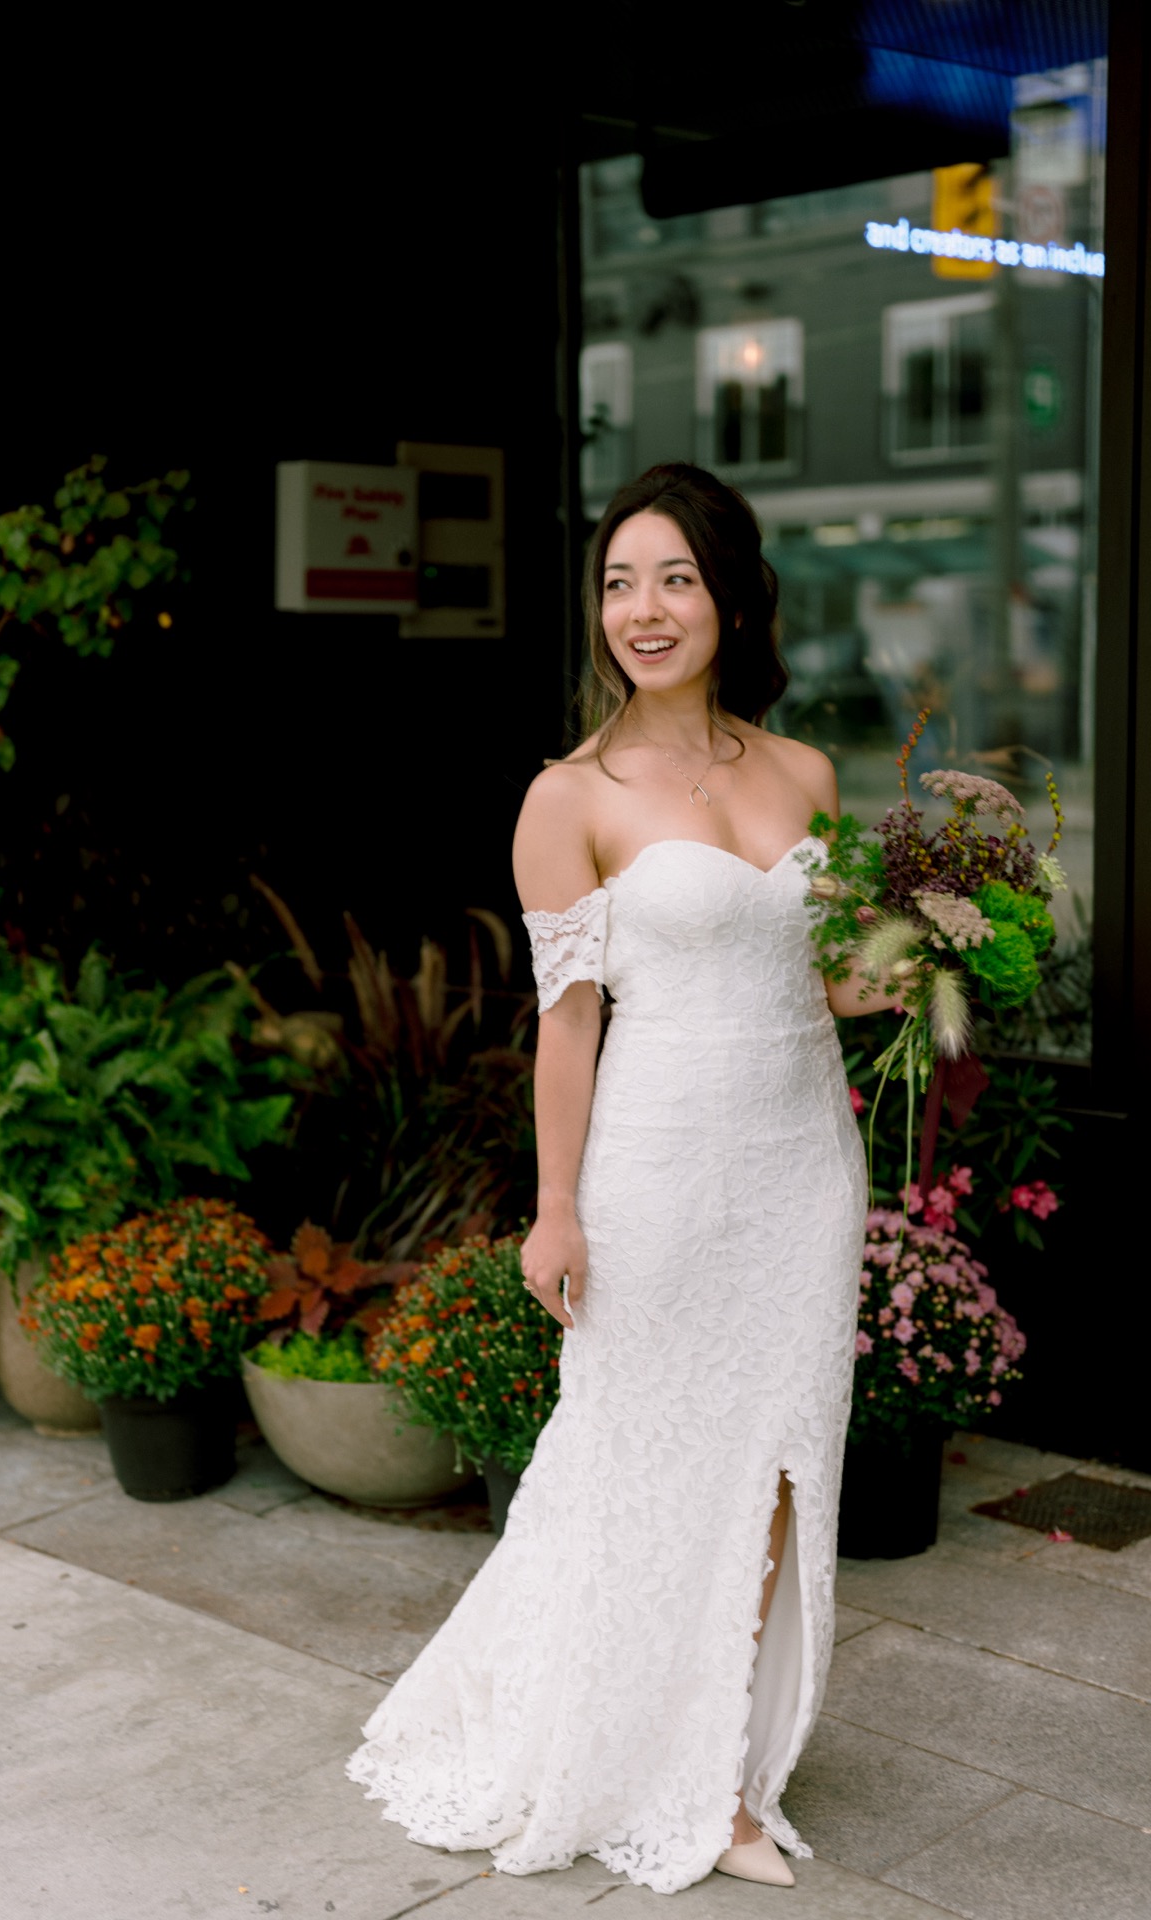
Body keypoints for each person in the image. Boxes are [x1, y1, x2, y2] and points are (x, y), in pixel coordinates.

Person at [347, 463, 897, 1895]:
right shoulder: (566, 797)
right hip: (655, 1175)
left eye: (673, 579)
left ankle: (717, 1779)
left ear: (729, 594)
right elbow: (569, 1026)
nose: (643, 610)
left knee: (779, 1469)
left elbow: (829, 980)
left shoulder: (804, 775)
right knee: (637, 1468)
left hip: (801, 1173)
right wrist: (558, 1206)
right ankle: (611, 1739)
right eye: (618, 582)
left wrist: (931, 956)